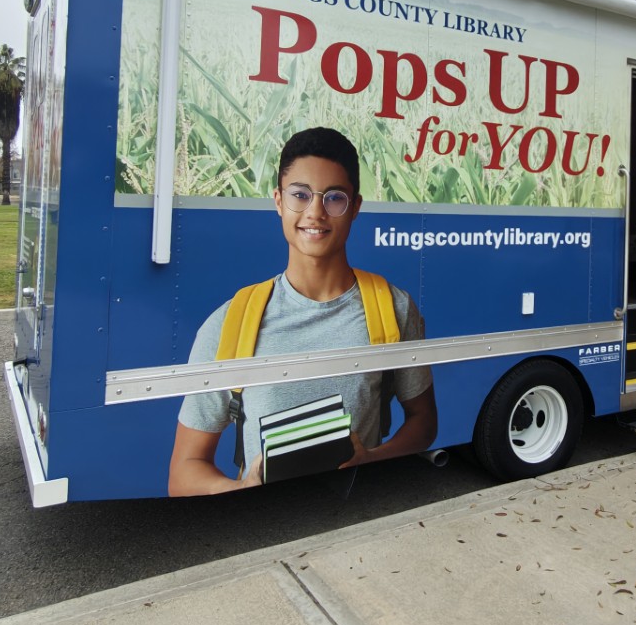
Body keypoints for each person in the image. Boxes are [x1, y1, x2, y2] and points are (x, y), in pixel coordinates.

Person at [167, 127, 437, 496]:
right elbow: (184, 471)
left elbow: (423, 422)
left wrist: (372, 460)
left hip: (363, 520)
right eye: (300, 195)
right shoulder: (230, 323)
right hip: (264, 524)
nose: (315, 213)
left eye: (334, 198)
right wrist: (243, 487)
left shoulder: (392, 308)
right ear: (278, 201)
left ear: (356, 207)